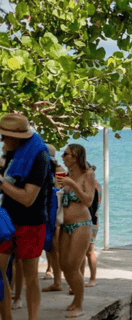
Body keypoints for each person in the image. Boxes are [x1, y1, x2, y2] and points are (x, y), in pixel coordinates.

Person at [0, 114, 52, 320]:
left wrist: (1, 182)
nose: (2, 140)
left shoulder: (39, 158)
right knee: (0, 272)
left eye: (4, 137)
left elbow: (28, 198)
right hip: (7, 221)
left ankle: (33, 318)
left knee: (31, 277)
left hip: (31, 223)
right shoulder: (13, 153)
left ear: (17, 137)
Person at [58, 144, 95, 318]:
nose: (62, 156)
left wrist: (72, 185)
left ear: (75, 156)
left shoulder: (87, 174)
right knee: (64, 266)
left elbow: (88, 200)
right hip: (65, 225)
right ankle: (74, 301)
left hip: (81, 224)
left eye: (65, 154)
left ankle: (79, 304)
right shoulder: (66, 175)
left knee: (73, 266)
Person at [42, 144, 66, 293]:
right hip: (47, 207)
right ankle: (55, 280)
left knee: (53, 249)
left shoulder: (58, 170)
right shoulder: (52, 168)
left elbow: (60, 190)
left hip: (52, 208)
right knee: (51, 249)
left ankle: (57, 281)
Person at [81, 163, 101, 288]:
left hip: (89, 219)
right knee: (89, 251)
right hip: (95, 219)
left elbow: (90, 204)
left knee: (86, 252)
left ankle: (87, 278)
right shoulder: (97, 183)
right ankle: (91, 278)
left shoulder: (90, 184)